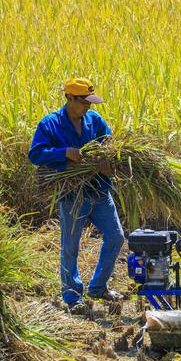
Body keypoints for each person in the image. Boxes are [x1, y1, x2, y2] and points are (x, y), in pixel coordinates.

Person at [28, 78, 125, 313]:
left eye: (91, 102)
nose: (88, 107)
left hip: (99, 190)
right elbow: (36, 154)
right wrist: (64, 153)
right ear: (69, 98)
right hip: (72, 196)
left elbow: (110, 148)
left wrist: (108, 163)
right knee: (70, 246)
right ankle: (72, 296)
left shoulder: (95, 121)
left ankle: (98, 287)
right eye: (84, 102)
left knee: (116, 237)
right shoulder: (50, 124)